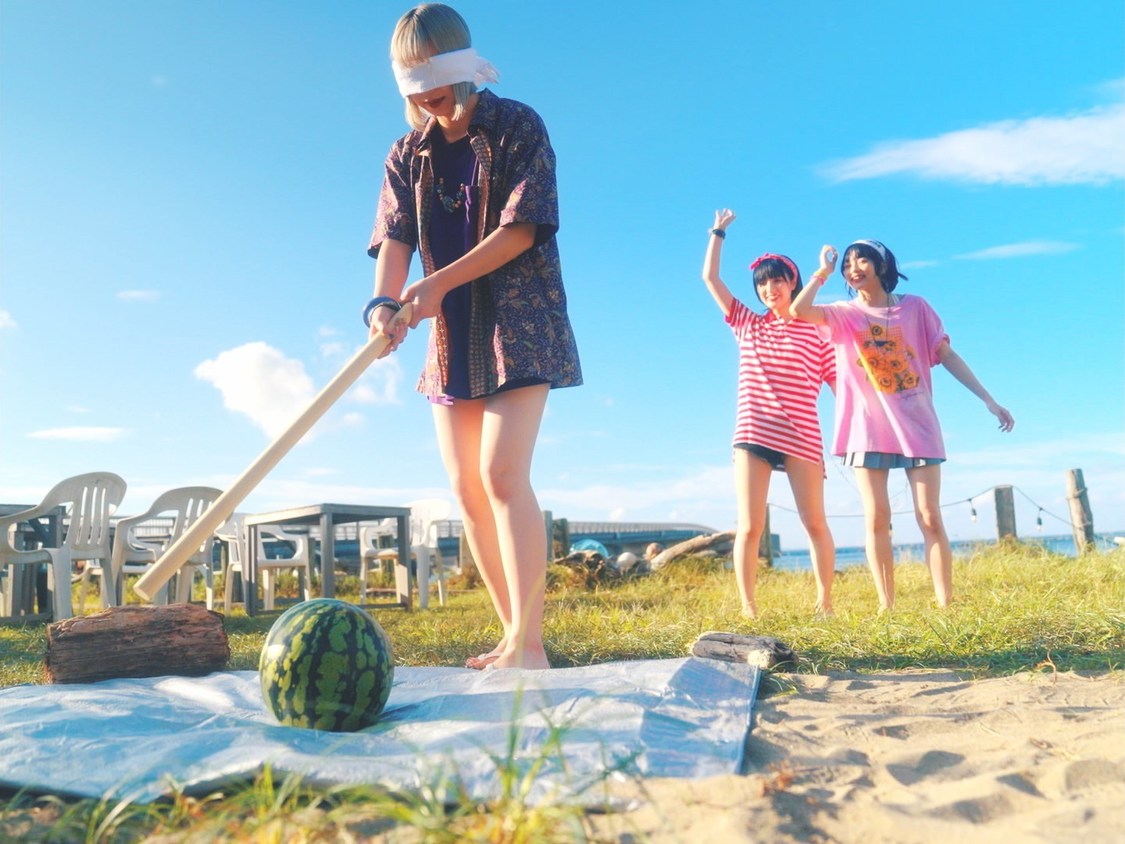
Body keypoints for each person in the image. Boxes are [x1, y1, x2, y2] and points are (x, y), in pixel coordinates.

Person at [365, 4, 582, 669]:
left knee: (501, 473)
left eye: (435, 86)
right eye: (414, 92)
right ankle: (510, 633)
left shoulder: (516, 125)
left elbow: (521, 228)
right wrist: (382, 301)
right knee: (465, 489)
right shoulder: (409, 151)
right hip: (450, 334)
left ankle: (531, 644)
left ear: (462, 69)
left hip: (516, 320)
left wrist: (436, 287)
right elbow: (396, 237)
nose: (428, 103)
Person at [790, 239, 1014, 610]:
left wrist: (988, 399)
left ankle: (946, 605)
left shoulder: (916, 307)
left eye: (862, 258)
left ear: (881, 264)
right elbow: (799, 311)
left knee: (929, 515)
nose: (854, 266)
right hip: (867, 427)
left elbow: (947, 354)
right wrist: (822, 272)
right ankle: (886, 607)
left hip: (917, 423)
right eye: (848, 262)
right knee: (877, 516)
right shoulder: (843, 312)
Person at [702, 209, 837, 617]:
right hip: (753, 431)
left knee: (815, 522)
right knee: (750, 526)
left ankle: (825, 603)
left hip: (802, 435)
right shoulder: (747, 323)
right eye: (762, 283)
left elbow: (841, 385)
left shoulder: (819, 329)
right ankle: (748, 608)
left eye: (777, 280)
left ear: (792, 281)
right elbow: (710, 279)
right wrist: (718, 232)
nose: (769, 289)